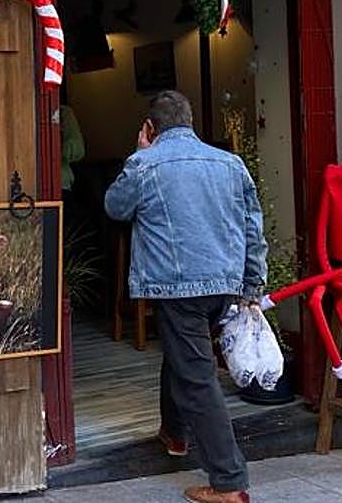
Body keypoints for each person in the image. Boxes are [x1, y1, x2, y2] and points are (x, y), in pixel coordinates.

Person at [104, 90, 266, 503]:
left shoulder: (145, 163)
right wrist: (252, 284)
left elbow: (115, 207)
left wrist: (138, 153)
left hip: (177, 289)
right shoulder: (231, 164)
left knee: (197, 379)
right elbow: (253, 228)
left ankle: (230, 483)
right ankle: (174, 433)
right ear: (191, 122)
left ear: (150, 128)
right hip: (224, 285)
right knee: (184, 357)